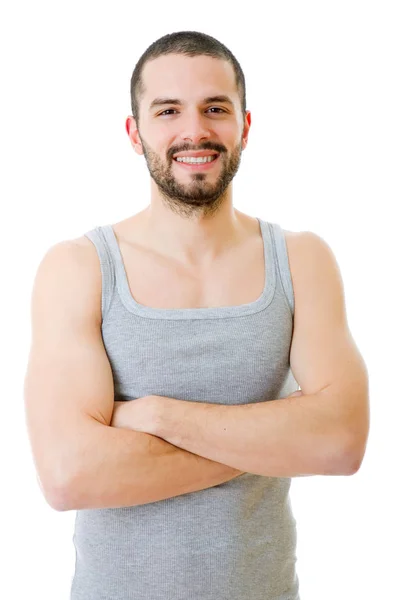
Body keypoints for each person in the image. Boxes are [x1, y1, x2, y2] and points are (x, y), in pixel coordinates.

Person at [24, 30, 369, 600]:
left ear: (245, 126)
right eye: (168, 111)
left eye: (215, 108)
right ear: (135, 134)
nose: (194, 130)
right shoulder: (79, 267)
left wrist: (156, 415)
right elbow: (69, 475)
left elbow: (340, 442)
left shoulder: (302, 259)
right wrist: (277, 436)